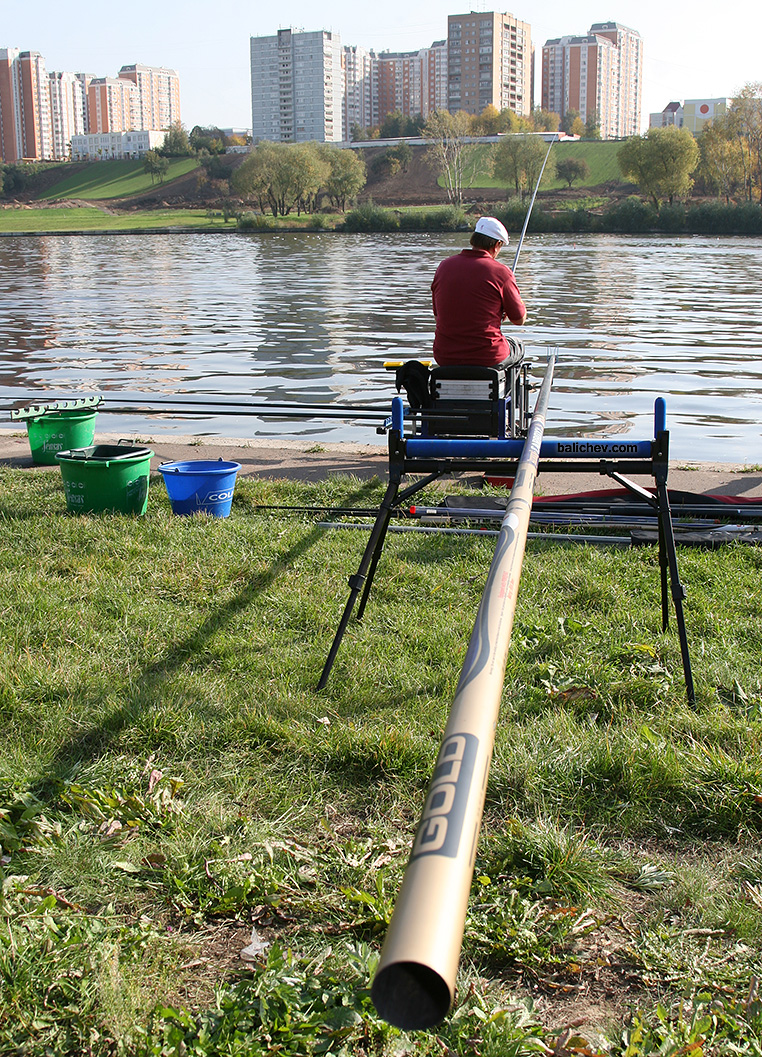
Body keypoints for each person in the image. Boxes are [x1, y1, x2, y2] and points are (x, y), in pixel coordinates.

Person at [431, 216, 526, 367]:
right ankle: (507, 383)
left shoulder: (444, 267)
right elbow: (519, 319)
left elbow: (438, 317)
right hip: (487, 356)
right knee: (518, 345)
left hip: (445, 355)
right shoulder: (501, 272)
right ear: (497, 244)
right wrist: (518, 301)